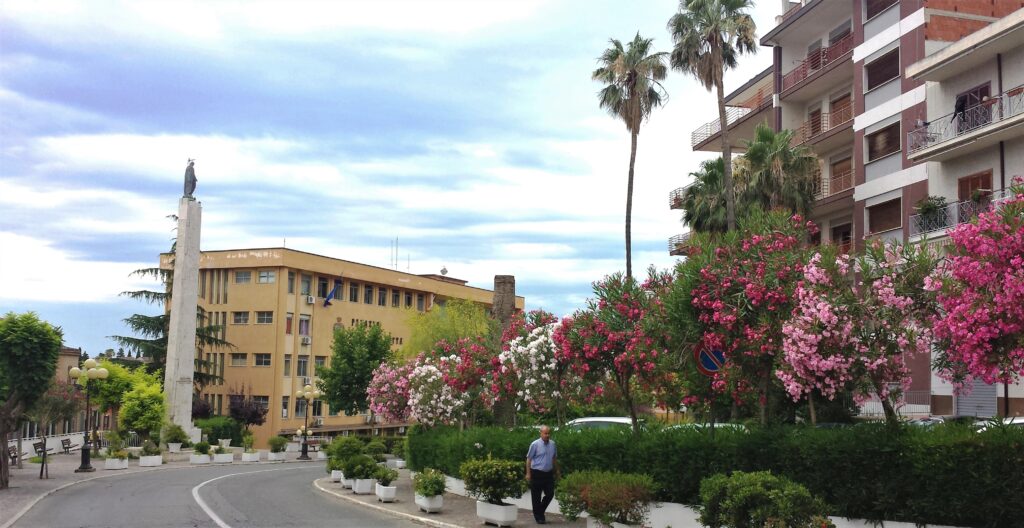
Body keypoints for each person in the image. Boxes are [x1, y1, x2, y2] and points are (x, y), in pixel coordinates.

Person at [525, 425, 559, 525]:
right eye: (545, 433)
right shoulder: (535, 444)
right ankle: (539, 517)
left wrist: (557, 470)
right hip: (537, 473)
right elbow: (529, 459)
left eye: (548, 433)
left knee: (550, 494)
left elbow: (554, 458)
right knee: (536, 496)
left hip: (548, 473)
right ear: (541, 433)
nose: (547, 435)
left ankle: (540, 511)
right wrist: (528, 473)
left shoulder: (553, 444)